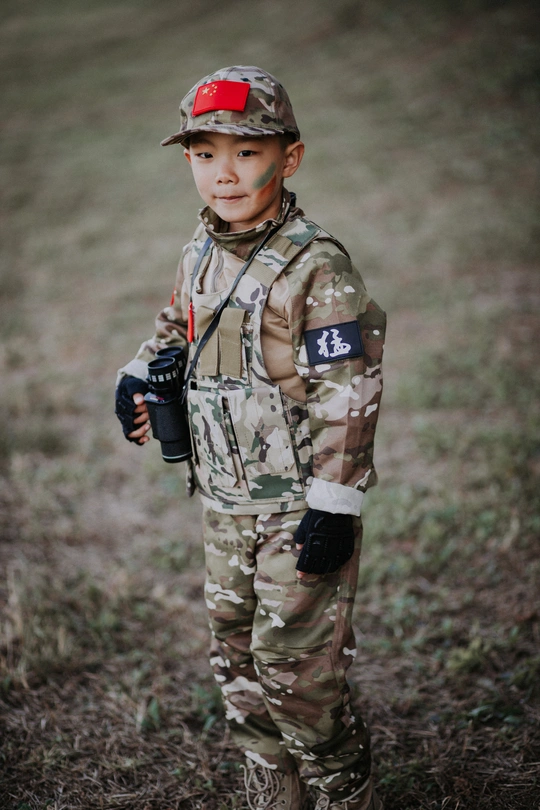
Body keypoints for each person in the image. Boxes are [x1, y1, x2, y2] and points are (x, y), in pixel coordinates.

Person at [115, 66, 386, 810]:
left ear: (288, 158)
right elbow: (176, 326)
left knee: (298, 672)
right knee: (235, 654)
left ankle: (345, 791)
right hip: (225, 501)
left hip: (298, 504)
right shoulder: (200, 250)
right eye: (204, 154)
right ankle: (273, 783)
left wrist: (333, 505)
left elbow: (349, 392)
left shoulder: (317, 267)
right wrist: (136, 373)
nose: (223, 174)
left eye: (246, 152)